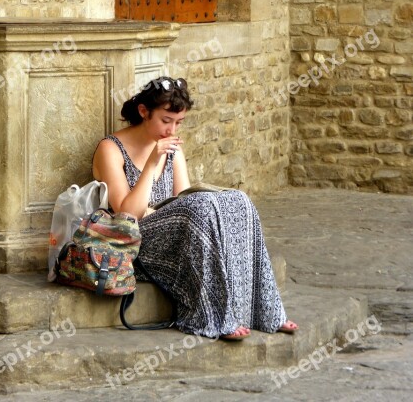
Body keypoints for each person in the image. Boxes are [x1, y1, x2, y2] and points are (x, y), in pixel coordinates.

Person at [92, 76, 298, 340]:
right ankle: (212, 317)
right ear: (144, 112)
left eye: (178, 123)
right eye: (166, 121)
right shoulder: (111, 149)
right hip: (135, 243)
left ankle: (266, 312)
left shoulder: (173, 149)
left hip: (175, 234)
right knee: (199, 208)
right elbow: (127, 216)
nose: (172, 130)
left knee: (239, 200)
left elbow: (186, 200)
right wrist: (153, 163)